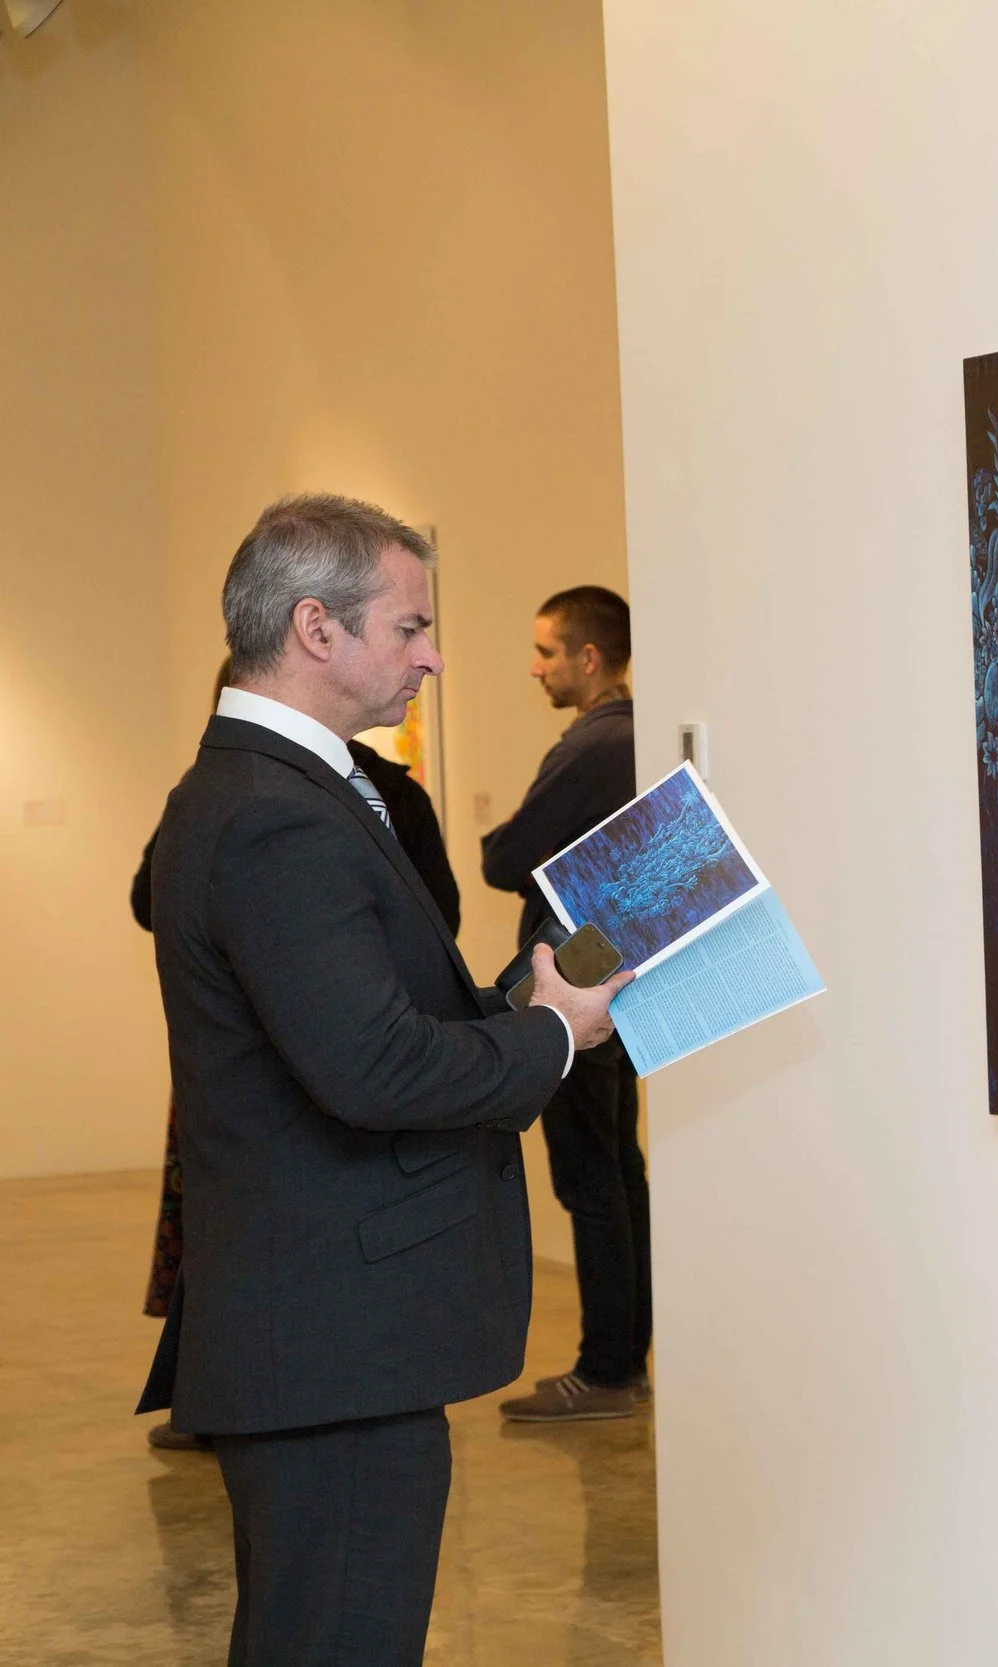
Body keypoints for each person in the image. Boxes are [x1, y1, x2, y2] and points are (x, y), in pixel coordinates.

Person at [138, 494, 630, 1666]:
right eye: (409, 626)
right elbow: (373, 1064)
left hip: (321, 1340)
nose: (435, 653)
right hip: (330, 1349)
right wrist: (554, 1034)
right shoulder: (273, 814)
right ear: (316, 627)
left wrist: (531, 993)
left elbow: (370, 1016)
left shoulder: (281, 789)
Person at [129, 656, 465, 1453]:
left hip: (356, 1067)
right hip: (320, 1082)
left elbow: (434, 919)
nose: (428, 658)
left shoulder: (346, 795)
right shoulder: (255, 802)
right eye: (408, 629)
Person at [480, 585, 653, 1421]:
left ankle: (607, 1369)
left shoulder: (593, 746)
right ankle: (625, 1363)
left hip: (575, 983)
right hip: (619, 971)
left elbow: (502, 853)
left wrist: (513, 851)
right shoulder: (639, 737)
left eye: (548, 651)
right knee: (620, 1167)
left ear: (590, 658)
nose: (536, 666)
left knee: (592, 1175)